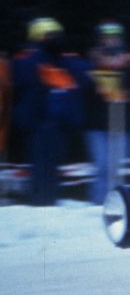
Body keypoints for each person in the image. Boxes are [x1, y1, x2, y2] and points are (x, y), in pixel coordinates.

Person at [11, 18, 91, 206]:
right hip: (38, 122)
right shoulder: (27, 61)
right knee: (40, 164)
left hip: (60, 123)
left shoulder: (66, 61)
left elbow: (83, 77)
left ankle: (50, 201)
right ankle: (40, 202)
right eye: (50, 35)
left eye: (57, 35)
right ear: (38, 38)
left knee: (54, 164)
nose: (56, 39)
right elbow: (26, 79)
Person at [86, 21, 130, 205]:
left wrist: (124, 68)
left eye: (114, 38)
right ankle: (97, 205)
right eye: (106, 38)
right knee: (101, 167)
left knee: (117, 170)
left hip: (121, 120)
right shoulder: (92, 62)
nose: (111, 41)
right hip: (97, 122)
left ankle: (117, 205)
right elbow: (85, 89)